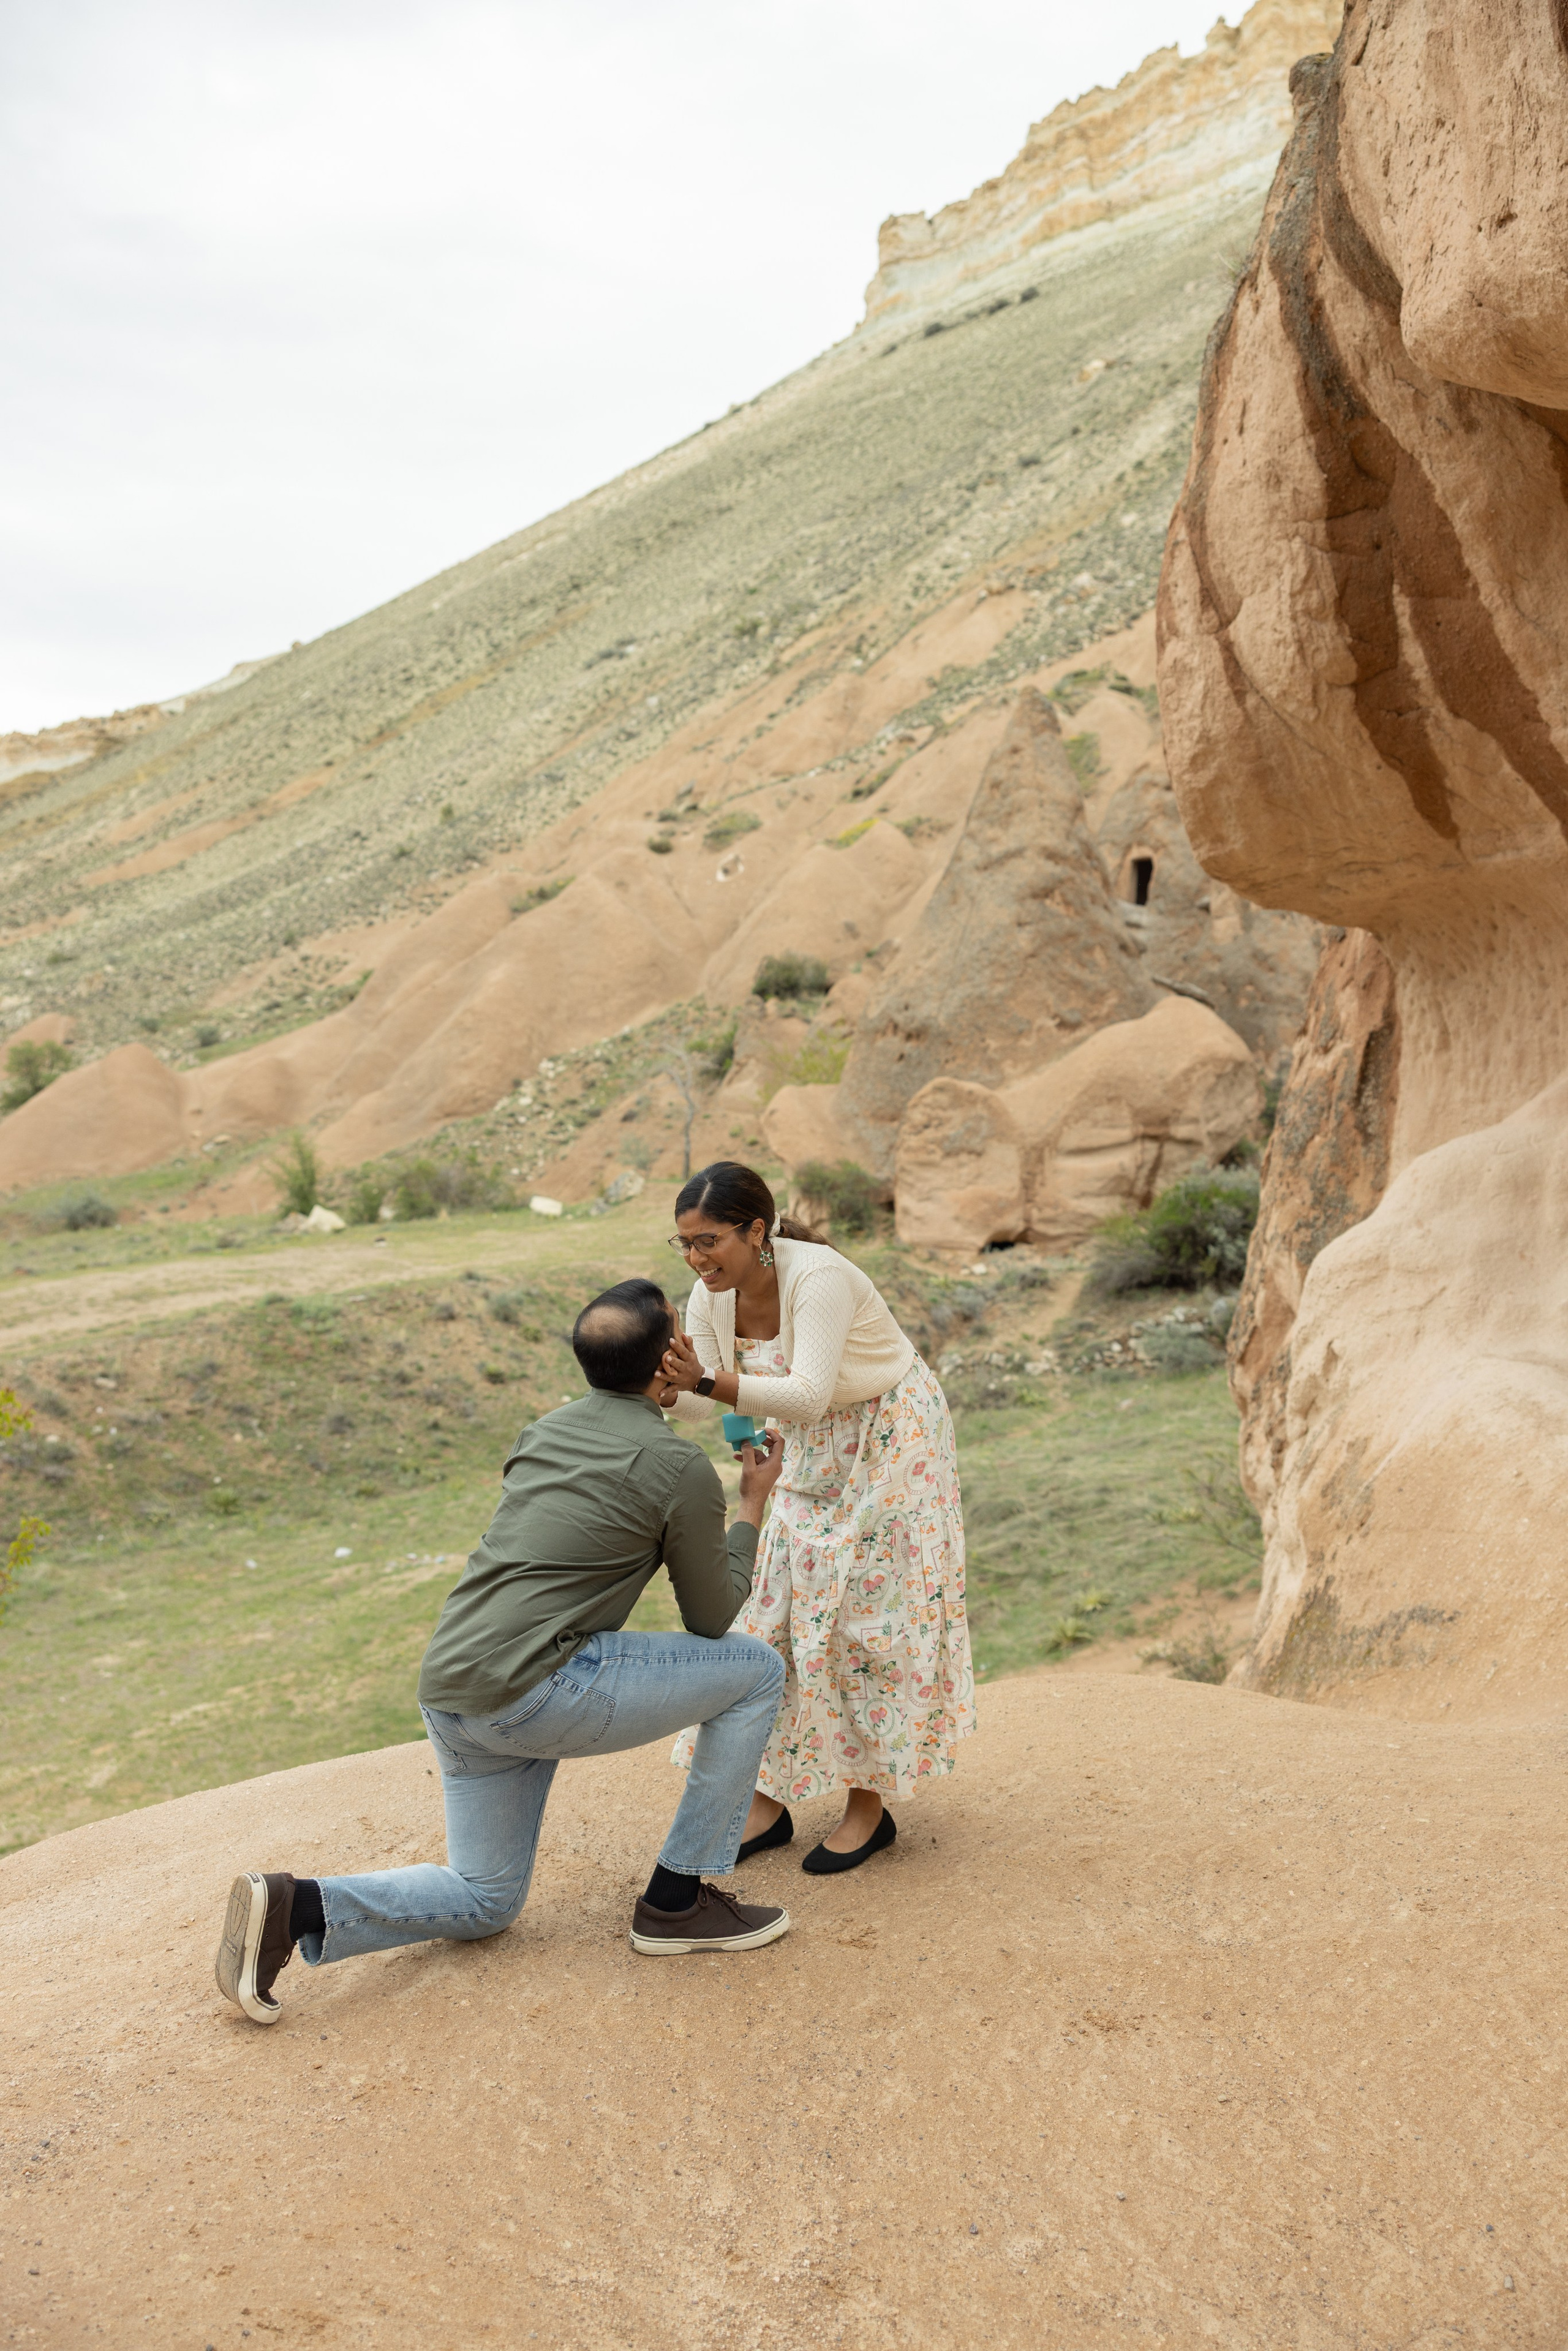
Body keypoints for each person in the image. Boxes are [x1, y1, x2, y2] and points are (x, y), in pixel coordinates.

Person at [214, 1278, 793, 2028]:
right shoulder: (675, 1466)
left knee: (486, 1900)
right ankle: (677, 1900)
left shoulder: (543, 1431)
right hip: (537, 1691)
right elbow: (713, 1616)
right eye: (681, 1337)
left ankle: (298, 1904)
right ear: (668, 1364)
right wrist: (751, 1503)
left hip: (452, 1687)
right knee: (755, 1672)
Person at [659, 1162, 973, 1874]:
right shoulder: (711, 1295)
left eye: (707, 1241)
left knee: (873, 1619)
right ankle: (767, 1801)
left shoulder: (818, 1276)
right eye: (683, 1244)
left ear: (756, 1231)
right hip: (815, 1447)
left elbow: (804, 1394)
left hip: (892, 1437)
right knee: (776, 1612)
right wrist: (663, 1387)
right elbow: (709, 1403)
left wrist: (701, 1378)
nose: (696, 1258)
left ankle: (869, 1807)